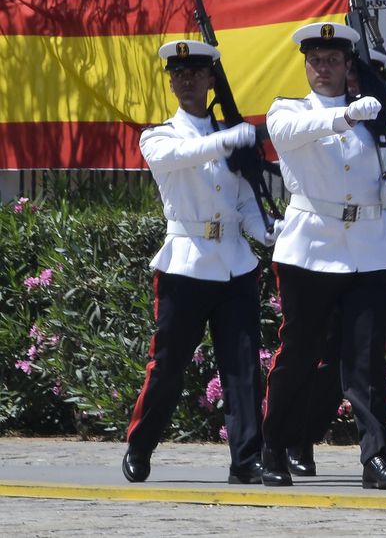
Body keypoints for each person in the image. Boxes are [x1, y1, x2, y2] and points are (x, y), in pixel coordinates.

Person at [287, 47, 386, 480]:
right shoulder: (341, 127)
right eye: (353, 76)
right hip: (356, 259)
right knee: (333, 363)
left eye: (365, 78)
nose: (356, 86)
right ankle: (299, 441)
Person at [260, 22, 386, 489]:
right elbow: (291, 132)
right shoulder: (288, 110)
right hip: (311, 249)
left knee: (366, 359)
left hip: (368, 249)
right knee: (299, 355)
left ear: (349, 66)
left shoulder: (375, 119)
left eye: (332, 61)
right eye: (315, 61)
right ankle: (274, 448)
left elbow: (380, 186)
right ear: (306, 65)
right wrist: (344, 118)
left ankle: (375, 458)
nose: (323, 68)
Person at [123, 39, 272, 485]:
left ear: (211, 80)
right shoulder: (160, 136)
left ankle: (247, 458)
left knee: (244, 367)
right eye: (179, 75)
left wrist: (263, 230)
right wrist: (226, 138)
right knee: (168, 367)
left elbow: (245, 197)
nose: (187, 81)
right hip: (185, 265)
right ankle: (140, 444)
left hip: (234, 265)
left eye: (196, 74)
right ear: (171, 83)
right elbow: (180, 158)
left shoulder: (231, 133)